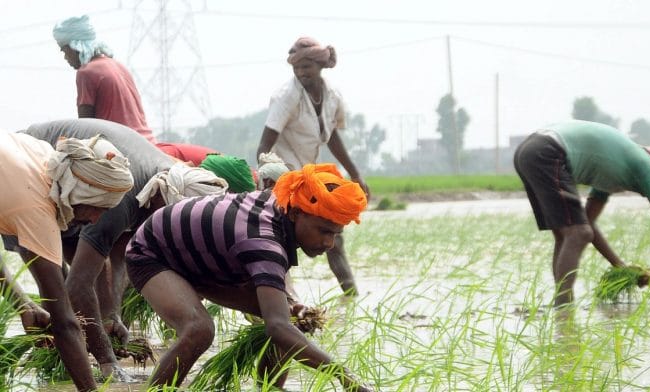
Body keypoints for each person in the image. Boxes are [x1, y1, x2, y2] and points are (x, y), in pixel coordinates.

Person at [12, 118, 228, 381]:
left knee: (71, 283)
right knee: (56, 288)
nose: (167, 235)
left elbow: (113, 257)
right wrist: (107, 359)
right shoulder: (115, 197)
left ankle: (70, 341)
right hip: (38, 171)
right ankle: (77, 352)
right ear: (162, 204)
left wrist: (110, 313)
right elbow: (79, 283)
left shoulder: (163, 181)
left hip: (59, 175)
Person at [125, 163, 372, 390]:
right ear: (296, 213)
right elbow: (277, 327)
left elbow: (279, 313)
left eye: (335, 234)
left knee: (290, 318)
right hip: (152, 252)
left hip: (203, 259)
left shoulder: (281, 208)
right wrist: (343, 375)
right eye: (324, 231)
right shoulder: (263, 240)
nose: (329, 243)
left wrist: (290, 305)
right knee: (199, 329)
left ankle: (268, 388)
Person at [0, 131, 133, 391]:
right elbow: (64, 322)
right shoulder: (35, 205)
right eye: (98, 209)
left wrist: (23, 304)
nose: (95, 220)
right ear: (79, 191)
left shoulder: (43, 158)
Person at [513, 119, 650, 307]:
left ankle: (562, 309)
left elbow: (587, 222)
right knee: (578, 233)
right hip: (548, 151)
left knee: (567, 235)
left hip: (529, 151)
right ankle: (562, 309)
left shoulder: (616, 167)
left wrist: (622, 268)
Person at [257, 37, 369, 296]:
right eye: (297, 67)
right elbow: (263, 147)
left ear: (320, 66)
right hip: (284, 179)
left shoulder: (332, 96)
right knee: (278, 240)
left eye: (306, 67)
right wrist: (273, 183)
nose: (301, 72)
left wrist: (355, 174)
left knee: (334, 235)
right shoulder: (286, 97)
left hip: (310, 177)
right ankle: (287, 302)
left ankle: (351, 296)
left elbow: (332, 136)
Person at [53, 15, 156, 143]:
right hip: (148, 142)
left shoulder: (86, 72)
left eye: (64, 51)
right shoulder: (119, 66)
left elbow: (85, 126)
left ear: (75, 48)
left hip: (120, 145)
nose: (65, 57)